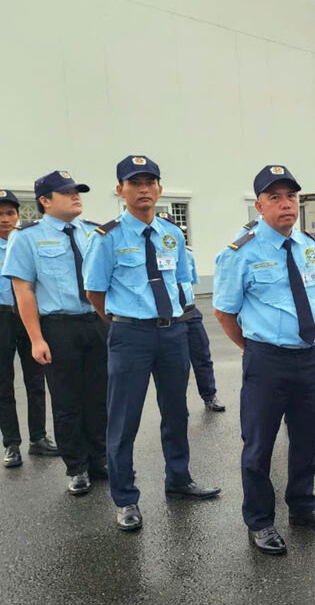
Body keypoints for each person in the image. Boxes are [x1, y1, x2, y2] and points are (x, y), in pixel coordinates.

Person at [83, 155, 220, 532]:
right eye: (135, 183)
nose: (143, 189)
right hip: (131, 334)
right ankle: (125, 498)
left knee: (176, 411)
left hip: (173, 331)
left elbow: (181, 281)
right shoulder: (107, 237)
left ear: (159, 189)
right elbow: (95, 292)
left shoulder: (172, 234)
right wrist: (121, 321)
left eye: (150, 182)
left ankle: (179, 478)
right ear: (120, 190)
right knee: (124, 417)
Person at [213, 165, 315, 555]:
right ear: (259, 206)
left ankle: (303, 505)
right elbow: (224, 312)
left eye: (291, 197)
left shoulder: (306, 246)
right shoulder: (240, 252)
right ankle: (260, 520)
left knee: (306, 438)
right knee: (259, 444)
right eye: (275, 198)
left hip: (309, 358)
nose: (286, 204)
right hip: (267, 360)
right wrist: (253, 347)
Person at [2, 172, 108, 496]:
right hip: (58, 326)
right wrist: (36, 339)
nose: (76, 196)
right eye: (66, 192)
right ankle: (76, 467)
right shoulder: (26, 238)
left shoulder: (93, 232)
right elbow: (23, 291)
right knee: (66, 401)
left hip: (96, 322)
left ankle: (100, 458)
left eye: (77, 191)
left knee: (99, 397)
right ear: (45, 201)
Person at [0, 190, 58, 469]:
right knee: (3, 383)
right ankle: (11, 444)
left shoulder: (29, 243)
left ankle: (38, 438)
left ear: (18, 215)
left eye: (9, 213)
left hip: (30, 319)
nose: (4, 219)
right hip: (1, 318)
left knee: (36, 381)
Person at [163, 216, 225, 413]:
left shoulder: (187, 254)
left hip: (190, 312)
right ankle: (177, 406)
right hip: (170, 316)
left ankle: (210, 396)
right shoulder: (153, 253)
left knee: (202, 356)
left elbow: (190, 282)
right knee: (175, 365)